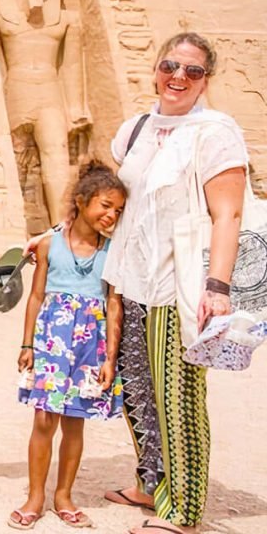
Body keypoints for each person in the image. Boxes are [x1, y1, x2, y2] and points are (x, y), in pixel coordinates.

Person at [100, 33, 248, 534]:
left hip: (177, 281)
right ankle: (151, 482)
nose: (178, 78)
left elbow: (227, 212)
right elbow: (122, 201)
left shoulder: (214, 131)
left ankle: (183, 509)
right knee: (136, 389)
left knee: (176, 392)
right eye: (170, 66)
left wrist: (219, 286)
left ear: (207, 79)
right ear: (156, 68)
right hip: (130, 277)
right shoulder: (137, 128)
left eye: (192, 71)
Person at [9, 162, 127, 530]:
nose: (111, 215)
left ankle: (64, 495)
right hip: (52, 342)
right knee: (44, 420)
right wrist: (27, 343)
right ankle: (35, 496)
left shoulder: (113, 251)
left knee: (75, 423)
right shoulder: (48, 245)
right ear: (81, 201)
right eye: (105, 205)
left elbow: (113, 304)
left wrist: (110, 356)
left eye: (118, 210)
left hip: (90, 345)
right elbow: (36, 296)